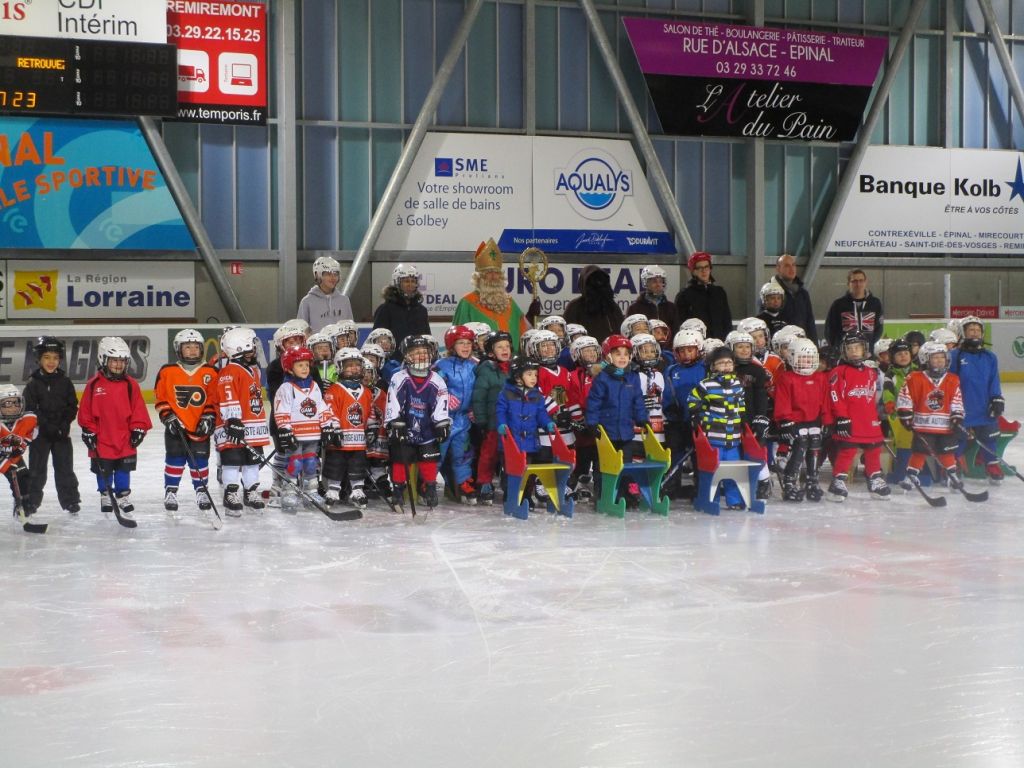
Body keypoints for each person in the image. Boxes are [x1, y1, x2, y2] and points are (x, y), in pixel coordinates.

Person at [78, 337, 152, 518]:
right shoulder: (93, 385)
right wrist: (88, 430)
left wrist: (138, 428)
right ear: (103, 359)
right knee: (103, 469)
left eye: (122, 361)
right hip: (102, 438)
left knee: (123, 469)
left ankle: (122, 495)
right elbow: (86, 411)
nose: (119, 365)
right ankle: (105, 494)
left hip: (124, 438)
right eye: (114, 360)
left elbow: (138, 409)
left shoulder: (131, 385)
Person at [153, 329, 219, 515]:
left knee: (200, 460)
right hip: (176, 427)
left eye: (196, 347)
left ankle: (202, 491)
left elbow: (214, 399)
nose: (192, 350)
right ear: (178, 349)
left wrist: (208, 417)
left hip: (200, 427)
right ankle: (171, 491)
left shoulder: (211, 372)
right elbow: (161, 398)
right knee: (174, 458)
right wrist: (168, 417)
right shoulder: (167, 371)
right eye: (187, 347)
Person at [384, 335, 451, 510]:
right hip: (404, 428)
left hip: (427, 429)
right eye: (415, 352)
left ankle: (430, 488)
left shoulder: (437, 380)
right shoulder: (399, 377)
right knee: (400, 460)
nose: (421, 356)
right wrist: (395, 421)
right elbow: (392, 402)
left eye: (424, 352)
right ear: (406, 356)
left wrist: (442, 422)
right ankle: (398, 491)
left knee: (429, 458)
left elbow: (441, 403)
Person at [585, 335, 649, 506]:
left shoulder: (633, 377)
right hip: (606, 432)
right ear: (609, 356)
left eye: (626, 354)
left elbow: (637, 400)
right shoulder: (602, 378)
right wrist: (592, 423)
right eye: (618, 354)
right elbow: (594, 402)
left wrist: (642, 418)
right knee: (604, 464)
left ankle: (623, 494)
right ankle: (602, 494)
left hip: (625, 432)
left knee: (625, 464)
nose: (622, 357)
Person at [826, 333, 890, 501]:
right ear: (844, 351)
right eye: (850, 348)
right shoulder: (839, 372)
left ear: (864, 349)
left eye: (857, 347)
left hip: (868, 420)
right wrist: (842, 417)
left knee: (874, 449)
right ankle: (838, 482)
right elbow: (835, 395)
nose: (854, 351)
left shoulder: (871, 372)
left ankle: (874, 479)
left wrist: (877, 416)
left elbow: (873, 396)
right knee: (848, 450)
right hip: (849, 419)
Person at [896, 341, 965, 492]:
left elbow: (957, 400)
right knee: (919, 452)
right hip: (923, 424)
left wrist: (957, 415)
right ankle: (912, 476)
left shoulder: (953, 379)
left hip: (946, 426)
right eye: (935, 357)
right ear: (925, 359)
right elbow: (905, 397)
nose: (939, 360)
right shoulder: (914, 378)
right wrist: (905, 413)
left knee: (947, 451)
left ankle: (952, 476)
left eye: (942, 357)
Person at [23, 336, 81, 515]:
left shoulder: (65, 382)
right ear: (39, 359)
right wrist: (45, 425)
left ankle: (70, 501)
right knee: (36, 470)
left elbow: (72, 405)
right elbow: (30, 408)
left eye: (55, 358)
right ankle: (31, 501)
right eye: (47, 357)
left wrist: (64, 424)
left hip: (61, 434)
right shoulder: (32, 384)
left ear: (60, 360)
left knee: (65, 469)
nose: (51, 362)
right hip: (40, 435)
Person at [214, 327, 269, 515]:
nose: (254, 349)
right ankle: (230, 493)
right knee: (232, 460)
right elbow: (227, 395)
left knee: (252, 461)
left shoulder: (252, 370)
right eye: (251, 346)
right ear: (240, 348)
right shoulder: (230, 371)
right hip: (234, 426)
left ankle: (250, 491)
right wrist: (233, 420)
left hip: (252, 426)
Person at [273, 346, 336, 510]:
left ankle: (311, 492)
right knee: (295, 463)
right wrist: (285, 430)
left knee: (311, 463)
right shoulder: (286, 388)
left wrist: (327, 426)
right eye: (300, 365)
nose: (305, 368)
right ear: (289, 367)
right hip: (296, 435)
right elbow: (281, 410)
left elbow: (321, 407)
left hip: (312, 435)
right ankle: (289, 492)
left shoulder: (315, 386)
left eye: (307, 365)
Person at [688, 346, 748, 509]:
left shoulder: (737, 384)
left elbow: (741, 403)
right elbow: (692, 400)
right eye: (721, 363)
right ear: (713, 366)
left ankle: (734, 500)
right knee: (712, 471)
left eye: (729, 362)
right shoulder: (706, 384)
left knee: (733, 472)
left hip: (733, 438)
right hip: (714, 437)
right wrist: (697, 416)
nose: (726, 366)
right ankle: (710, 499)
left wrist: (743, 418)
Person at [773, 338, 829, 502]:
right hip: (795, 422)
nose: (807, 361)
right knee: (800, 445)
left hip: (814, 420)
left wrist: (827, 420)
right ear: (792, 358)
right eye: (802, 357)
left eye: (810, 358)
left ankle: (812, 480)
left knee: (815, 444)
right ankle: (789, 482)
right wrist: (785, 421)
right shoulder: (787, 378)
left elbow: (825, 401)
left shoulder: (820, 378)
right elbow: (783, 401)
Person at [950, 316, 1004, 482]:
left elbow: (993, 379)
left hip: (984, 405)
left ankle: (991, 464)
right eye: (971, 330)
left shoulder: (990, 357)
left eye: (977, 330)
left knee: (989, 436)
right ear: (963, 332)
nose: (974, 333)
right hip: (962, 405)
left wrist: (996, 398)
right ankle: (953, 465)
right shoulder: (954, 355)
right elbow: (949, 381)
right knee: (959, 437)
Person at [452, 239, 531, 351]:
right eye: (488, 272)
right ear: (479, 277)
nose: (493, 276)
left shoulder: (509, 302)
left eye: (497, 272)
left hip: (510, 360)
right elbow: (457, 339)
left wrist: (531, 314)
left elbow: (524, 332)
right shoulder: (467, 303)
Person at [496, 356, 556, 503]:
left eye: (535, 374)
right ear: (518, 377)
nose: (534, 378)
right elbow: (500, 412)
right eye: (529, 374)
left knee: (527, 471)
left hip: (530, 441)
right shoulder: (506, 394)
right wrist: (502, 424)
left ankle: (526, 496)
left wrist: (548, 423)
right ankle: (511, 495)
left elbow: (541, 413)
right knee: (511, 470)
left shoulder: (537, 395)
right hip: (511, 441)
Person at [322, 348, 375, 508]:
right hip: (339, 440)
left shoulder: (366, 392)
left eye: (357, 365)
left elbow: (370, 412)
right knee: (335, 464)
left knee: (357, 465)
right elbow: (329, 411)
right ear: (339, 367)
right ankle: (332, 491)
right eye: (349, 365)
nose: (354, 368)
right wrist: (334, 429)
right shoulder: (334, 390)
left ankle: (357, 491)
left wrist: (372, 427)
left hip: (358, 440)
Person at [433, 325, 479, 503]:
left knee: (463, 454)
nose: (466, 347)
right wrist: (444, 397)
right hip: (444, 420)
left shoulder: (474, 365)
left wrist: (474, 407)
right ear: (452, 345)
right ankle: (427, 483)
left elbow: (479, 389)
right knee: (438, 454)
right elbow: (431, 388)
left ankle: (463, 483)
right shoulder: (441, 365)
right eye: (461, 343)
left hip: (464, 419)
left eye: (468, 343)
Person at [662, 328, 706, 498]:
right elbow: (668, 393)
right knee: (675, 451)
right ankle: (672, 485)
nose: (686, 355)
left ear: (698, 349)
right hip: (678, 420)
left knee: (699, 454)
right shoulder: (672, 370)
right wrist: (670, 409)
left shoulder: (705, 368)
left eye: (690, 350)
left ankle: (701, 485)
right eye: (682, 351)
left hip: (699, 421)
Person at [471, 330, 513, 505]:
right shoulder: (486, 370)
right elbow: (479, 397)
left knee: (511, 455)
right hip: (493, 422)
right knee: (489, 454)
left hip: (513, 423)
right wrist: (481, 419)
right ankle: (484, 482)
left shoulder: (515, 369)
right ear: (490, 352)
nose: (505, 350)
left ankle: (509, 482)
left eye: (507, 346)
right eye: (499, 347)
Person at [372, 264, 431, 360]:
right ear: (397, 283)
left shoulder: (421, 310)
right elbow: (378, 339)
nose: (410, 284)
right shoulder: (385, 309)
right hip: (393, 362)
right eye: (406, 281)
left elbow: (427, 338)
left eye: (413, 281)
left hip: (417, 361)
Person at [674, 251, 733, 341]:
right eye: (699, 268)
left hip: (720, 342)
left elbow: (727, 320)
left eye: (706, 267)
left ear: (710, 268)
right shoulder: (684, 295)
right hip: (697, 343)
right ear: (693, 271)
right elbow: (680, 323)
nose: (704, 271)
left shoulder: (720, 292)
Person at [0, 384, 37, 519]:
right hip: (2, 458)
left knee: (24, 478)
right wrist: (5, 464)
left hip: (13, 457)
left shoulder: (28, 419)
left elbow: (30, 434)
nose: (13, 407)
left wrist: (22, 446)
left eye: (16, 402)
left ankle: (23, 505)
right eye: (7, 403)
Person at [824, 269, 884, 349]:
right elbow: (830, 329)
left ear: (866, 282)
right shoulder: (838, 304)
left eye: (861, 281)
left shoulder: (875, 303)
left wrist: (869, 344)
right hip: (845, 352)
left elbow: (879, 329)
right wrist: (838, 347)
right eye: (854, 281)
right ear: (848, 284)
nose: (858, 284)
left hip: (868, 352)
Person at [564, 265, 625, 340]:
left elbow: (622, 331)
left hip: (613, 347)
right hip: (586, 346)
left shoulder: (612, 307)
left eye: (601, 281)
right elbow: (567, 333)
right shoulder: (575, 307)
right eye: (593, 282)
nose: (598, 285)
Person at [297, 256, 353, 333]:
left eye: (336, 274)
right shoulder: (307, 302)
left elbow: (351, 329)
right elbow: (301, 331)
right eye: (328, 274)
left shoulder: (344, 300)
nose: (333, 277)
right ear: (317, 275)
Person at [773, 253, 818, 344]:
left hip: (802, 344)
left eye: (793, 265)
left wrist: (814, 345)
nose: (792, 268)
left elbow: (810, 321)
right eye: (787, 266)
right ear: (778, 269)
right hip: (781, 345)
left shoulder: (803, 293)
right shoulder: (771, 293)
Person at [627, 265, 679, 330]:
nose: (658, 285)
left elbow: (676, 331)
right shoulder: (634, 308)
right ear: (645, 283)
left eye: (660, 281)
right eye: (654, 281)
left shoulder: (671, 307)